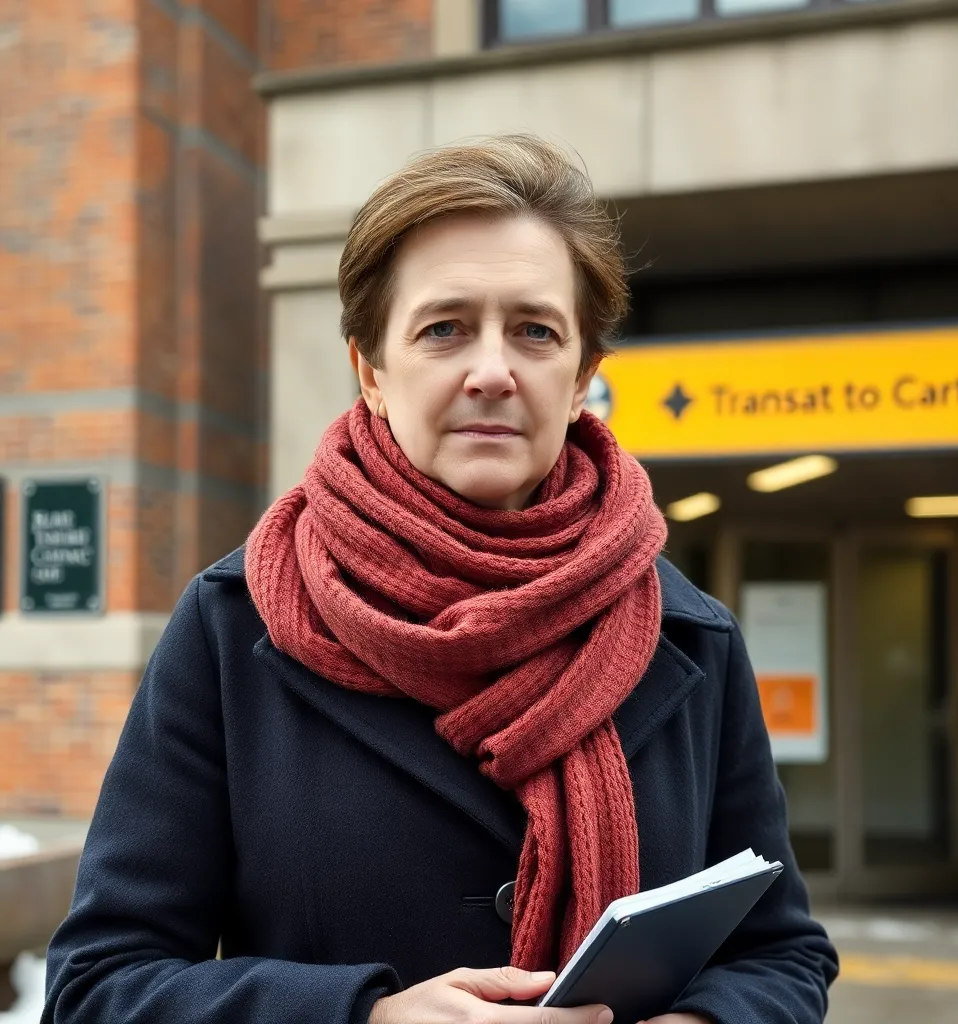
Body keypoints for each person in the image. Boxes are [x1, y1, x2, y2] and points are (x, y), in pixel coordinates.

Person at [44, 134, 838, 1024]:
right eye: (444, 329)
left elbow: (782, 954)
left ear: (582, 380)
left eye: (535, 332)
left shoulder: (684, 636)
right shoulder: (236, 627)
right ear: (371, 372)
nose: (493, 371)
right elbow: (98, 987)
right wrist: (365, 1017)